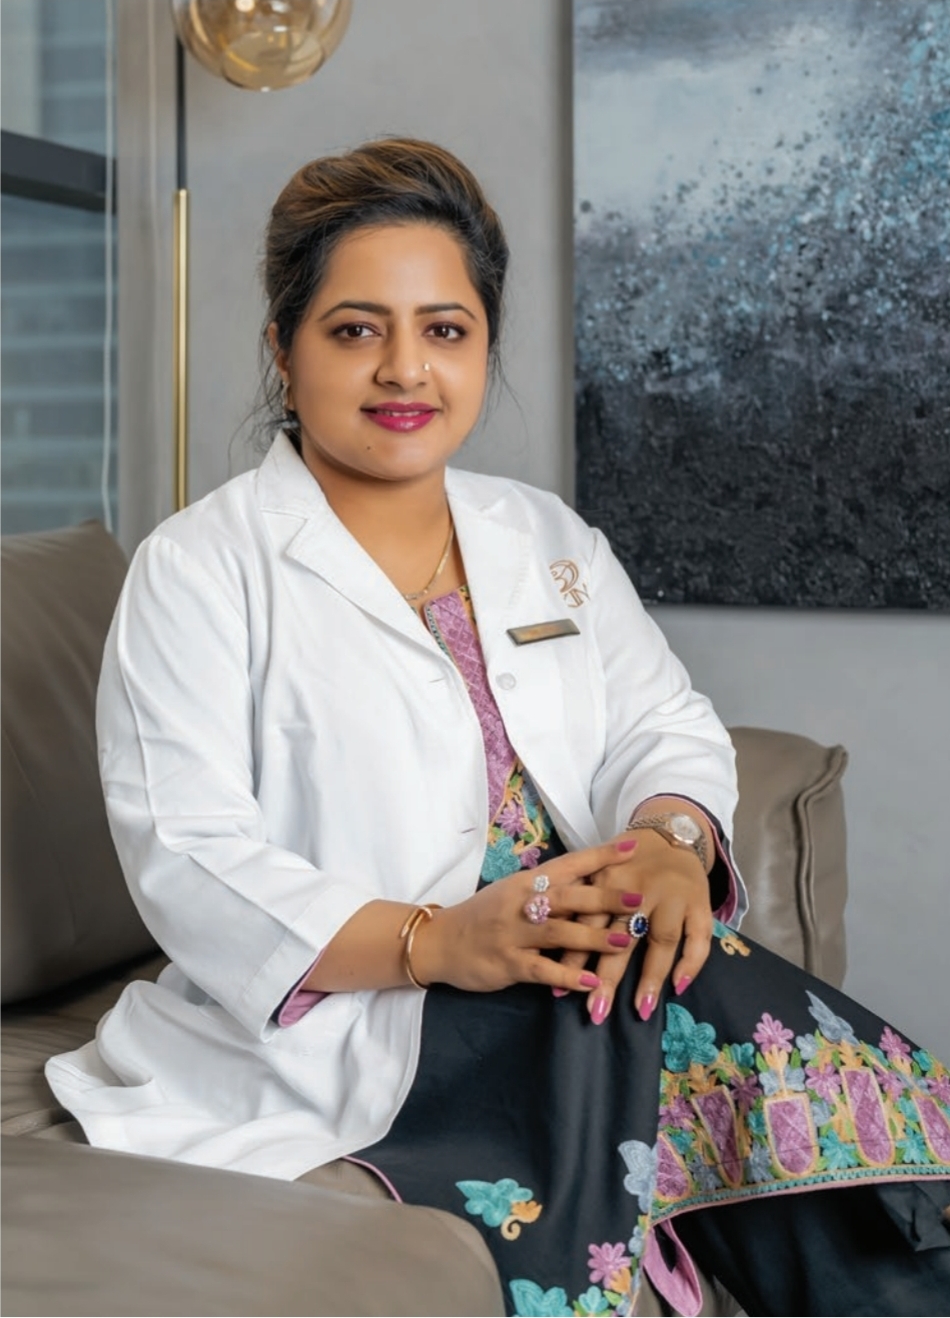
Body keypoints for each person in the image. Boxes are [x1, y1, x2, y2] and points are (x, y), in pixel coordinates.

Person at [47, 138, 949, 1316]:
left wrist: (670, 840)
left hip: (578, 943)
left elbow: (660, 719)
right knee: (660, 1006)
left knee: (645, 980)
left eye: (445, 328)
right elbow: (190, 853)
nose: (403, 368)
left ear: (483, 346)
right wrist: (441, 940)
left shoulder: (543, 537)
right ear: (282, 348)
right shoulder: (200, 568)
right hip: (377, 998)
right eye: (355, 329)